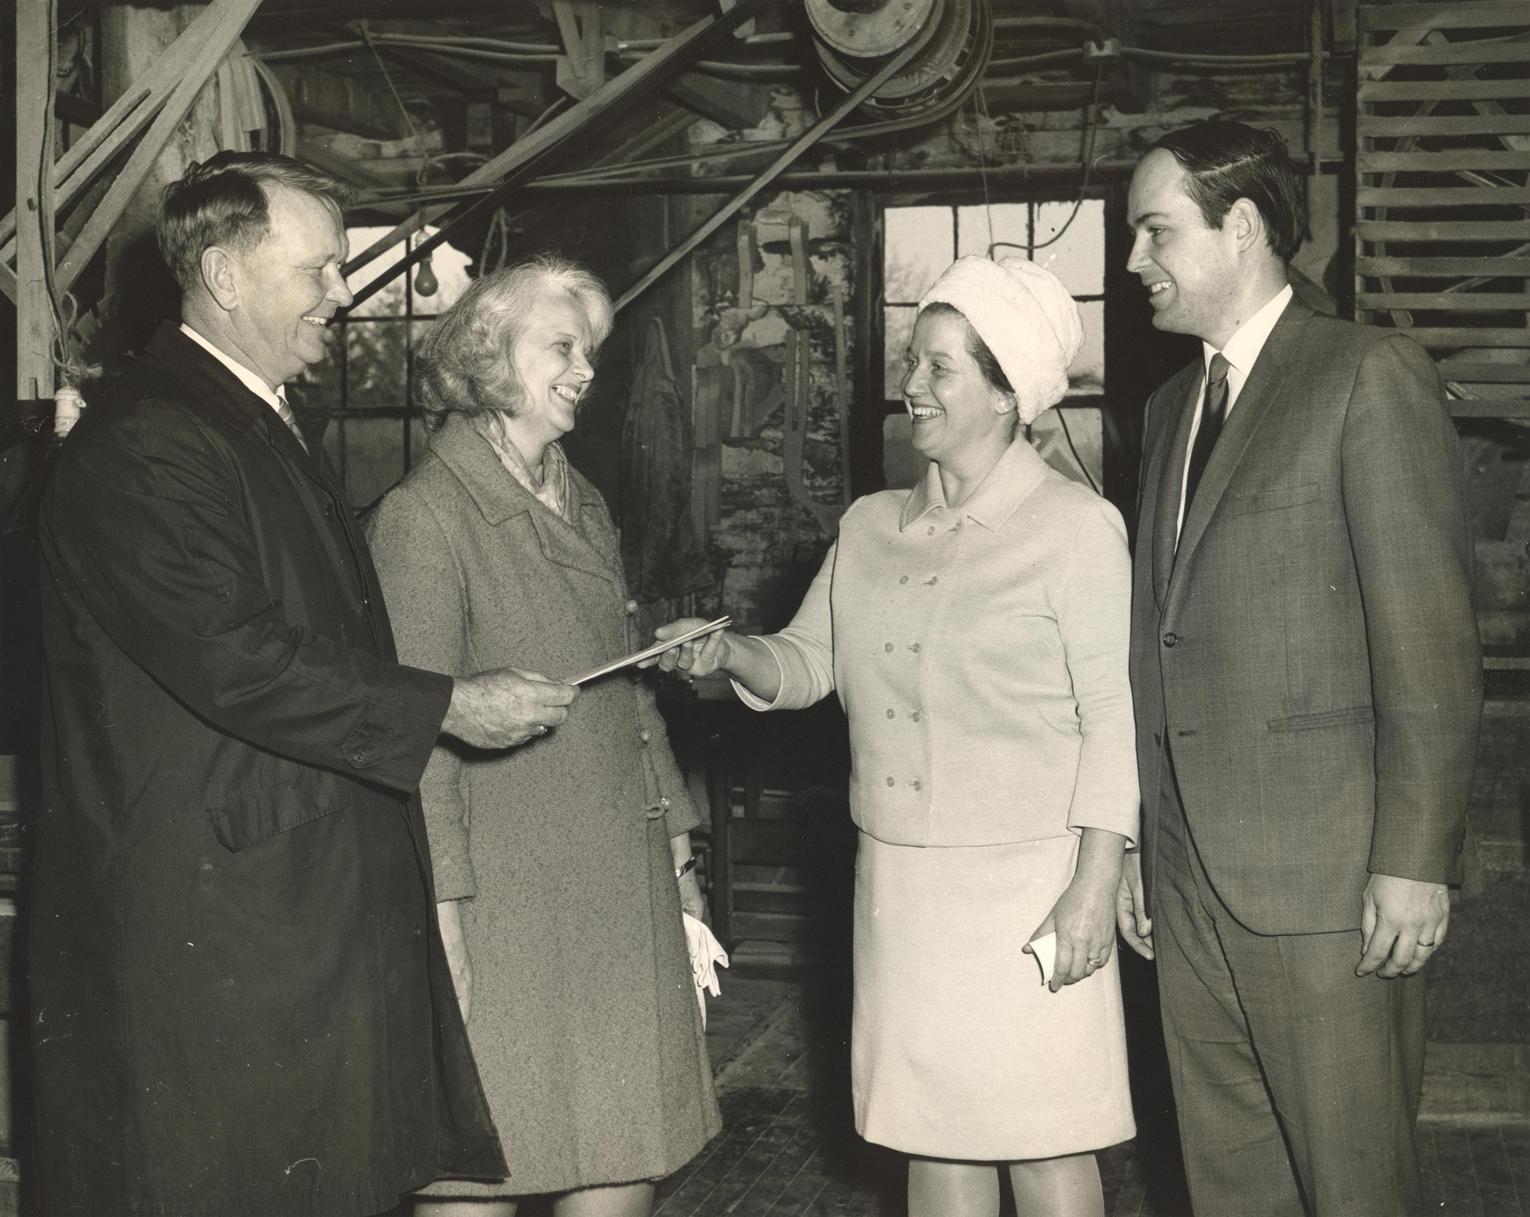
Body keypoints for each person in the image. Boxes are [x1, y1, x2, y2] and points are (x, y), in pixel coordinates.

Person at [30, 152, 579, 1217]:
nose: (343, 293)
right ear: (226, 278)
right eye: (321, 270)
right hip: (216, 925)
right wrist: (449, 703)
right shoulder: (147, 438)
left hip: (284, 908)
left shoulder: (247, 416)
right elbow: (233, 653)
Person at [652, 256, 1138, 1217]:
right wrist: (728, 654)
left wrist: (1095, 883)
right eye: (914, 361)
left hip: (1030, 886)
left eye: (942, 369)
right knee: (932, 1136)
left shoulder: (1078, 529)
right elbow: (807, 662)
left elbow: (1109, 716)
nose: (912, 386)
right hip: (905, 890)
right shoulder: (871, 526)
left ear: (1008, 394)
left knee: (1046, 1141)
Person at [1117, 121, 1482, 1216]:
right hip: (1187, 885)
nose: (1135, 260)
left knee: (1354, 1184)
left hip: (1329, 889)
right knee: (1230, 1187)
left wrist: (1415, 858)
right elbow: (1158, 639)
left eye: (1155, 231)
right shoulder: (1169, 409)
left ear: (1242, 226)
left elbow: (1427, 638)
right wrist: (1141, 838)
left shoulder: (1366, 374)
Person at [366, 256, 721, 1217]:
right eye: (562, 347)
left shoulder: (584, 500)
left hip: (618, 877)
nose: (585, 371)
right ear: (490, 354)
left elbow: (626, 686)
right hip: (499, 902)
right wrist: (441, 920)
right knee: (484, 1159)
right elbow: (415, 738)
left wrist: (680, 848)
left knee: (623, 1148)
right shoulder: (423, 518)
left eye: (591, 352)